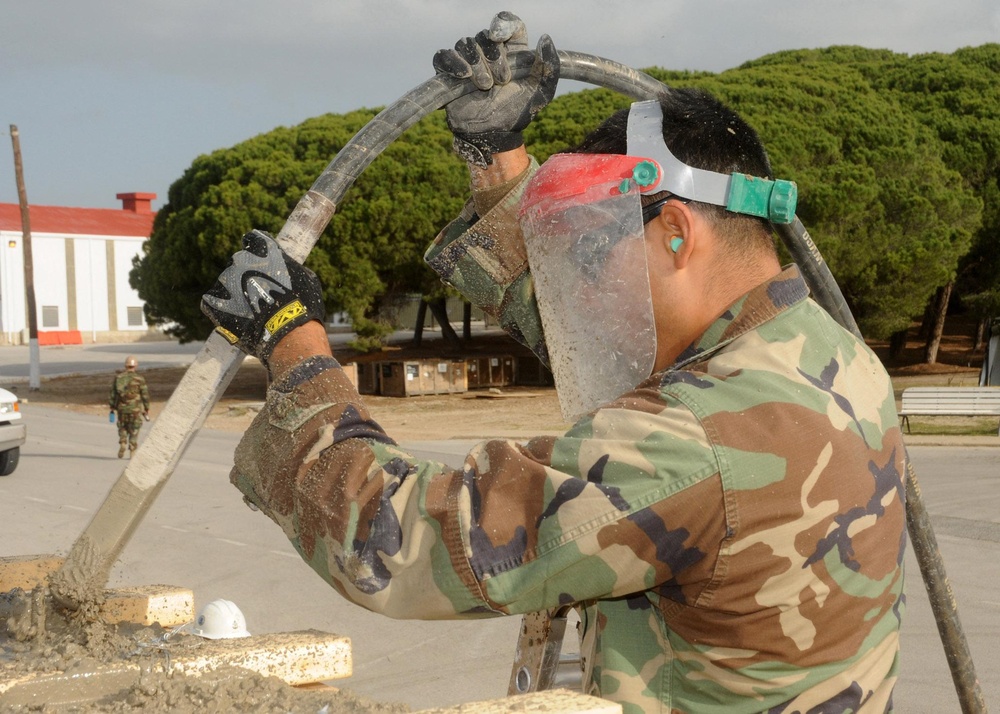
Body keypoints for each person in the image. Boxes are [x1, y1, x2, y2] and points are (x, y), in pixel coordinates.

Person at [201, 13, 906, 713]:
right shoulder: (822, 350)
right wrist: (494, 156)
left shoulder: (695, 438)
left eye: (594, 253)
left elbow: (399, 543)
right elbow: (592, 341)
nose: (586, 289)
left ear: (673, 234)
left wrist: (293, 343)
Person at [108, 355, 150, 458]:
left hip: (122, 408)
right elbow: (145, 395)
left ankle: (123, 442)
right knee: (134, 428)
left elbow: (113, 394)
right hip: (135, 409)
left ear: (125, 365)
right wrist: (146, 408)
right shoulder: (140, 379)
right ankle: (132, 449)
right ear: (135, 365)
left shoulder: (118, 378)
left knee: (122, 426)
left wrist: (112, 406)